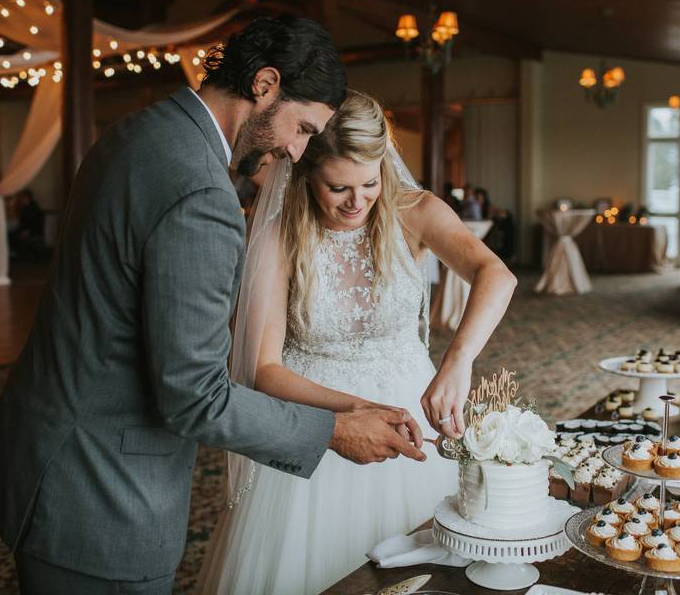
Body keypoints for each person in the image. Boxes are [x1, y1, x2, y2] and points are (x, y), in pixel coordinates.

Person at [0, 16, 426, 595]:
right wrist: (334, 432)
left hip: (43, 451)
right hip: (104, 494)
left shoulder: (138, 131)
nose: (296, 150)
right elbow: (195, 396)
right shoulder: (203, 196)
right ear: (264, 83)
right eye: (303, 127)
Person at [198, 91, 517, 594]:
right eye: (338, 187)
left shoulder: (413, 210)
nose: (357, 201)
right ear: (306, 174)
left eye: (370, 183)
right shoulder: (281, 234)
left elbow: (495, 275)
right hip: (320, 420)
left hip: (412, 411)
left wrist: (458, 362)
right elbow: (264, 368)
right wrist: (357, 410)